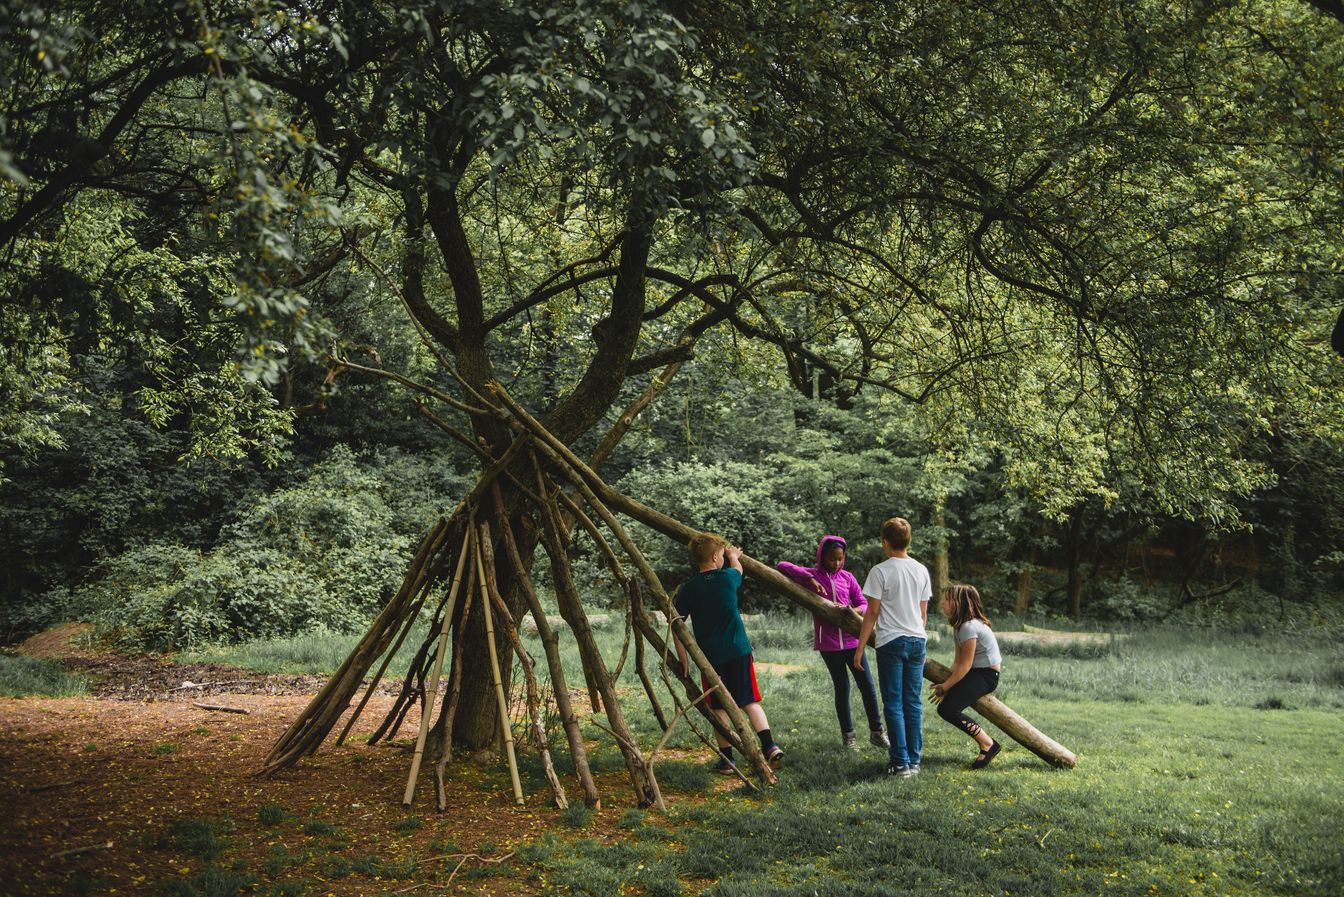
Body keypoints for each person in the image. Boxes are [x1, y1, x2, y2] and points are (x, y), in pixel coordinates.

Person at [675, 532, 784, 773]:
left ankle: (727, 760)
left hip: (710, 658)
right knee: (749, 701)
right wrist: (735, 556)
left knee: (718, 707)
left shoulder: (689, 588)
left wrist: (682, 655)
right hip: (739, 651)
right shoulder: (727, 578)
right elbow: (739, 570)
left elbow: (677, 623)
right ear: (716, 557)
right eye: (723, 555)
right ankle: (769, 746)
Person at [776, 535, 888, 751]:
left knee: (867, 686)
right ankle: (849, 737)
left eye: (840, 559)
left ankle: (877, 732)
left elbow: (864, 603)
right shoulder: (812, 574)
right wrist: (808, 579)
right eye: (831, 559)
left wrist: (853, 611)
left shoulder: (847, 577)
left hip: (853, 641)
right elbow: (782, 566)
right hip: (828, 644)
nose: (836, 563)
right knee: (842, 687)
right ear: (821, 557)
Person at [853, 517, 931, 777]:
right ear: (908, 541)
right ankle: (914, 761)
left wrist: (860, 647)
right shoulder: (921, 570)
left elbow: (872, 613)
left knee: (894, 703)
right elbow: (923, 614)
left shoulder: (880, 571)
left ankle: (900, 762)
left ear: (885, 542)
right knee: (913, 702)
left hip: (891, 642)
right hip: (917, 640)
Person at [930, 583, 1003, 769]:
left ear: (958, 603)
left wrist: (945, 687)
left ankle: (988, 744)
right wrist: (948, 683)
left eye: (946, 601)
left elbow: (966, 664)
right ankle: (988, 743)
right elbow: (957, 661)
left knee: (947, 709)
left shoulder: (970, 627)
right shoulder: (959, 627)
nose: (942, 604)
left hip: (986, 675)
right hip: (974, 673)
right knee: (946, 708)